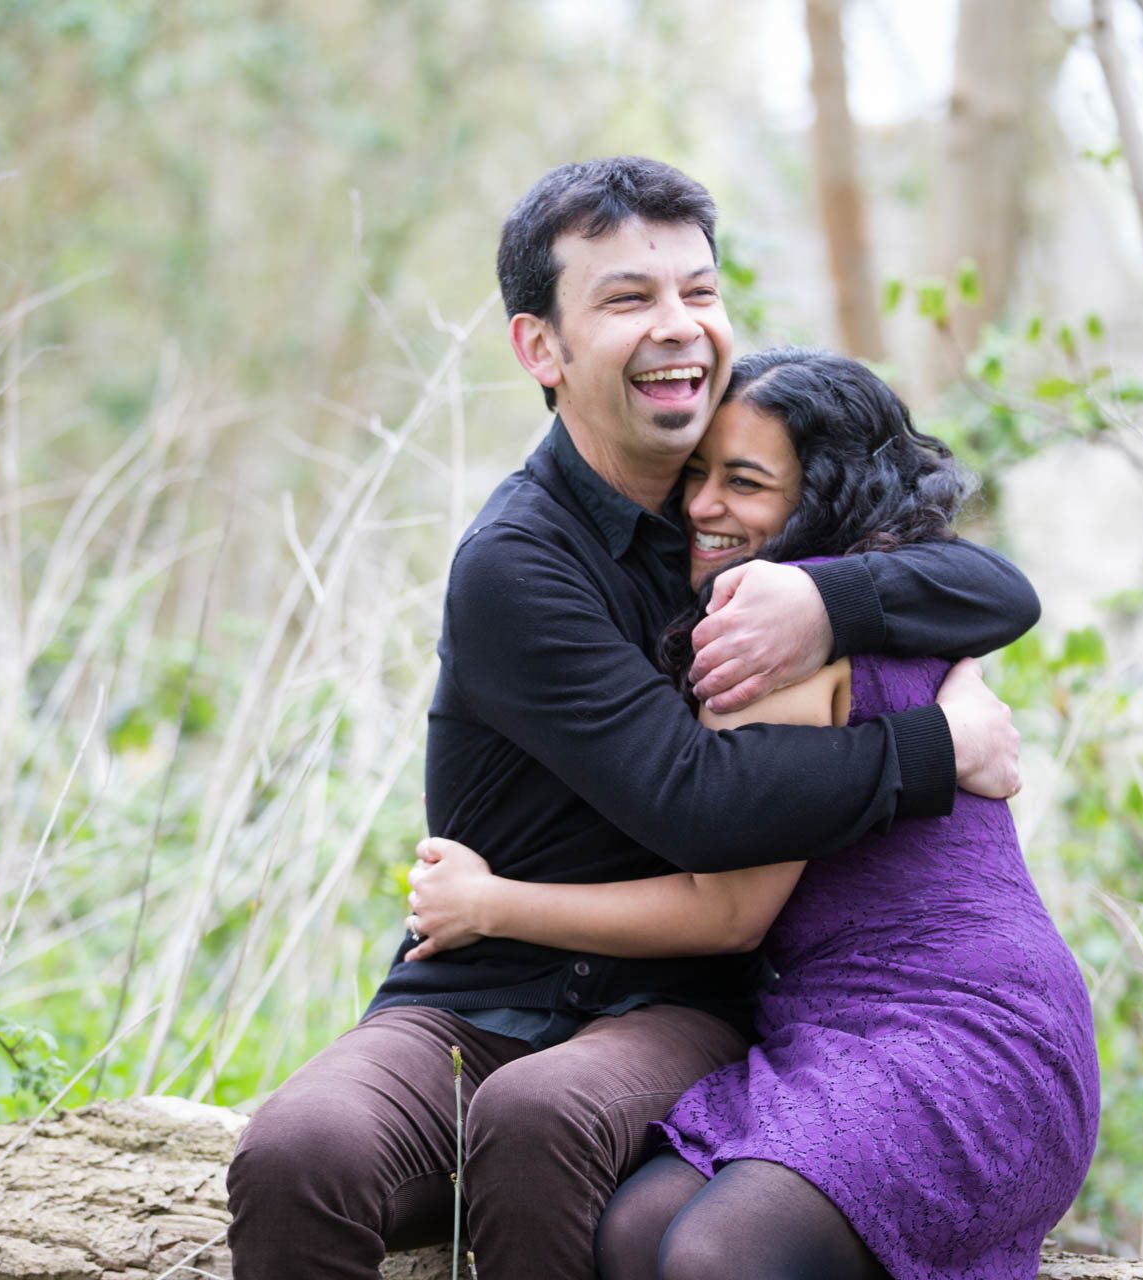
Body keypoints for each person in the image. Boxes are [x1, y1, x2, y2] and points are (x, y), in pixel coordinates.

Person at [225, 157, 1041, 1280]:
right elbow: (697, 801)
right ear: (541, 350)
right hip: (479, 988)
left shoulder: (753, 519)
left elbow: (992, 583)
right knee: (296, 1148)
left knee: (541, 1116)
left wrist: (827, 593)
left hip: (676, 1009)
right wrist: (935, 748)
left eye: (699, 292)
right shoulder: (518, 563)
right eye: (627, 298)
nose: (679, 327)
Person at [403, 348, 1100, 1280]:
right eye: (697, 474)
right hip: (836, 1039)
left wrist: (493, 904)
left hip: (959, 1038)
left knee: (710, 1255)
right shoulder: (889, 598)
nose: (701, 506)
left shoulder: (758, 643)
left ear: (821, 495)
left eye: (745, 481)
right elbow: (997, 590)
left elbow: (728, 914)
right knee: (631, 1235)